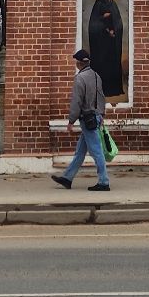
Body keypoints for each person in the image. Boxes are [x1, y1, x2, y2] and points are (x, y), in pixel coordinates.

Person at [52, 49, 110, 191]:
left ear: (79, 63)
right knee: (80, 152)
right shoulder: (96, 76)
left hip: (87, 119)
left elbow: (76, 102)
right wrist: (101, 114)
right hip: (95, 117)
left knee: (97, 151)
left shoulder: (80, 78)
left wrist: (71, 121)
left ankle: (104, 182)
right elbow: (102, 97)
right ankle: (67, 178)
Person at [86, 0, 126, 98]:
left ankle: (114, 89)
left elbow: (118, 22)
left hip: (112, 44)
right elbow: (93, 24)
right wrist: (103, 20)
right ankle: (101, 90)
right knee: (102, 66)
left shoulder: (113, 4)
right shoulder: (98, 4)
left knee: (112, 65)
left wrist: (115, 31)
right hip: (101, 44)